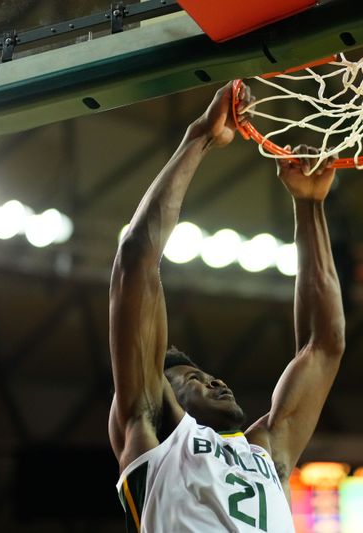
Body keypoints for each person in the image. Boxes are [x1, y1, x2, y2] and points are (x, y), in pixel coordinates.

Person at [108, 80, 346, 532]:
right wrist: (198, 138)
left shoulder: (267, 454)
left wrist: (310, 205)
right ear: (161, 398)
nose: (213, 379)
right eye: (192, 380)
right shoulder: (151, 431)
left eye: (204, 373)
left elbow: (324, 345)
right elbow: (137, 256)